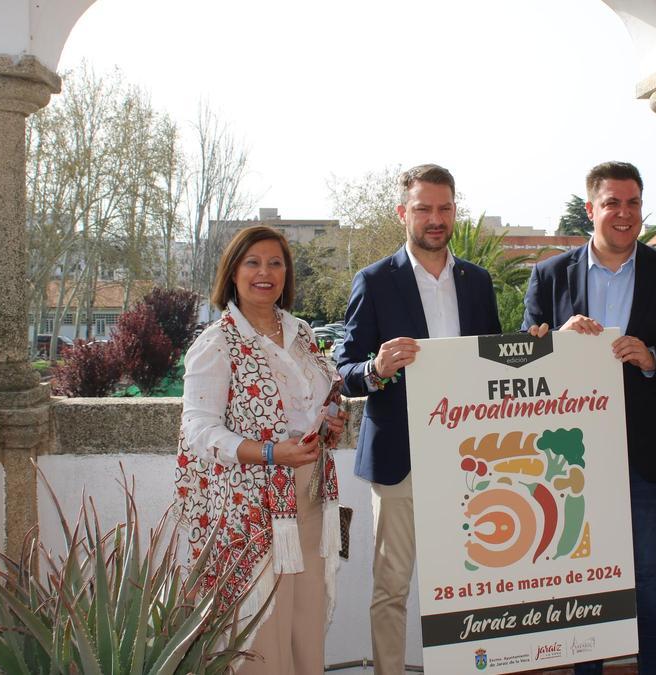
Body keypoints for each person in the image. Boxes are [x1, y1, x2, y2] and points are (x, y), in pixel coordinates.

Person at [523, 161, 656, 674]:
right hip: (569, 456)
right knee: (583, 576)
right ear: (591, 209)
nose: (623, 214)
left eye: (632, 203)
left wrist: (652, 358)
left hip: (646, 452)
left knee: (646, 571)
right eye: (612, 203)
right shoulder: (549, 275)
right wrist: (557, 340)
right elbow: (524, 356)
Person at [336, 163, 501, 675]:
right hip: (400, 462)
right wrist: (376, 369)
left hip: (471, 460)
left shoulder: (478, 282)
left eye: (444, 208)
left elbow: (496, 363)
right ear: (402, 213)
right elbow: (344, 371)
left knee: (468, 584)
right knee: (392, 587)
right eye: (424, 208)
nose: (435, 218)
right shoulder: (374, 281)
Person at [175, 225, 349, 675]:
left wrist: (329, 424)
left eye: (275, 263)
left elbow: (313, 402)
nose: (265, 273)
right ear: (232, 273)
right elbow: (198, 430)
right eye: (252, 263)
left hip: (309, 496)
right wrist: (271, 453)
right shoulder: (217, 343)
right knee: (262, 630)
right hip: (250, 507)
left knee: (307, 620)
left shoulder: (301, 332)